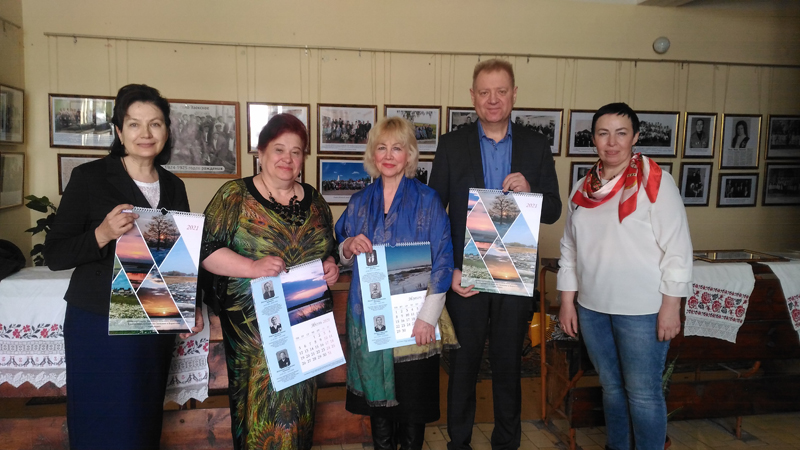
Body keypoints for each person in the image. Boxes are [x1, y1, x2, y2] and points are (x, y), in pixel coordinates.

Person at [44, 84, 202, 450]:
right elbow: (55, 254)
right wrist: (101, 234)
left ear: (166, 131)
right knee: (99, 423)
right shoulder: (90, 177)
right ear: (119, 131)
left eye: (155, 124)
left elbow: (177, 258)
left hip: (154, 322)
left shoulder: (174, 185)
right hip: (98, 325)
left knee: (142, 423)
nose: (145, 134)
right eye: (134, 124)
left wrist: (189, 305)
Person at [428, 58, 561, 450]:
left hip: (514, 273)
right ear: (472, 96)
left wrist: (531, 192)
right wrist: (449, 270)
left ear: (514, 94)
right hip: (466, 276)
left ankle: (507, 442)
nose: (492, 99)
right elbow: (434, 213)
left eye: (501, 91)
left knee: (508, 365)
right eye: (484, 92)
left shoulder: (535, 145)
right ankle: (459, 443)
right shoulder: (452, 144)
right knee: (463, 366)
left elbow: (553, 210)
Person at [557, 103, 693, 450]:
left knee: (643, 393)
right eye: (603, 133)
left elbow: (678, 249)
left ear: (635, 137)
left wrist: (671, 307)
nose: (612, 142)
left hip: (642, 310)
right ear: (593, 139)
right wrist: (567, 302)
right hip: (592, 308)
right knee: (611, 388)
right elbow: (569, 248)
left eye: (621, 133)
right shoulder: (582, 188)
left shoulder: (656, 183)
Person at [200, 113, 339, 450]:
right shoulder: (234, 195)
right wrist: (252, 267)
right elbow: (205, 251)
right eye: (279, 149)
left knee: (299, 416)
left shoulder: (316, 201)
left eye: (296, 151)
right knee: (258, 418)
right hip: (254, 335)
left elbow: (329, 249)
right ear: (260, 153)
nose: (287, 158)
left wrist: (330, 266)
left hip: (306, 329)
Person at [336, 116, 458, 450]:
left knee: (412, 411)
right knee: (380, 415)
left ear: (410, 155)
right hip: (371, 320)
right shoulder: (359, 202)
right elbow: (340, 246)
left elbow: (444, 260)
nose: (389, 156)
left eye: (397, 148)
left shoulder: (428, 200)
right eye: (382, 148)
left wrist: (428, 317)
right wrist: (348, 246)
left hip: (414, 321)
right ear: (372, 154)